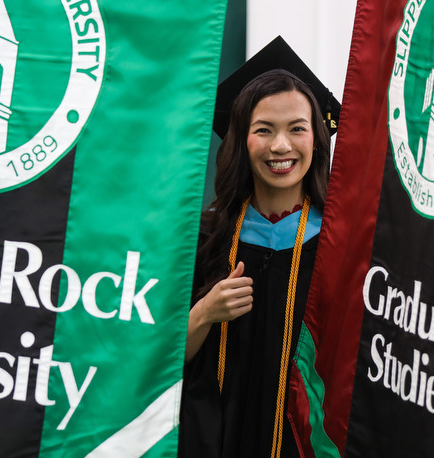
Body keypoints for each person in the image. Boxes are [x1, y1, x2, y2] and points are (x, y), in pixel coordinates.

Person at [179, 37, 339, 458]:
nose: (281, 146)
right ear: (241, 140)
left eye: (297, 129)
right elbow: (153, 363)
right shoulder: (205, 239)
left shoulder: (339, 247)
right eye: (263, 130)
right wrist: (203, 313)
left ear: (318, 138)